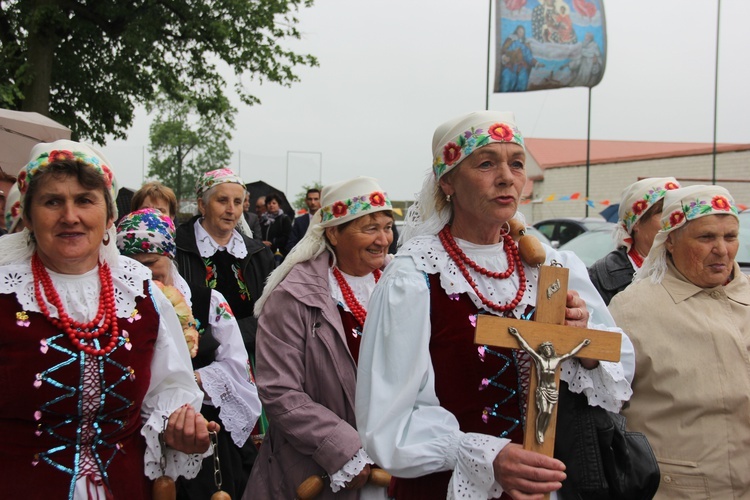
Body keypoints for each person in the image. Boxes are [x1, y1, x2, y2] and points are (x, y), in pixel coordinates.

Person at [356, 111, 634, 499]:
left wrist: (583, 343)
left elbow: (619, 362)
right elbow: (386, 421)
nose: (507, 177)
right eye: (486, 163)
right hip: (447, 487)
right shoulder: (414, 276)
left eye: (516, 164)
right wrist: (488, 456)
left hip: (548, 486)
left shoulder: (551, 268)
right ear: (447, 181)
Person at [0, 140, 217, 498]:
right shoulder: (7, 291)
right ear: (27, 216)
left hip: (125, 485)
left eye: (85, 200)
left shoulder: (141, 292)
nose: (70, 216)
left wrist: (179, 422)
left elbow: (170, 387)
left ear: (109, 217)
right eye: (52, 201)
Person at [244, 177, 393, 500]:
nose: (383, 240)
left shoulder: (402, 285)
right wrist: (343, 447)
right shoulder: (294, 296)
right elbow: (279, 390)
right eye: (370, 228)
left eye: (387, 227)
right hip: (315, 471)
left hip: (394, 463)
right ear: (333, 232)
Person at [609, 184, 750, 499]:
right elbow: (603, 410)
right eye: (706, 237)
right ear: (669, 240)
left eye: (730, 236)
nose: (722, 249)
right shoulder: (632, 310)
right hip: (678, 491)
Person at [117, 208, 262, 499]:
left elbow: (237, 368)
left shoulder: (208, 301)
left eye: (150, 262)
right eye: (129, 264)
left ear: (169, 258)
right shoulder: (117, 308)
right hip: (135, 437)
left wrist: (190, 379)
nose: (141, 273)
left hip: (202, 434)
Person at [174, 168, 274, 450]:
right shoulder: (179, 248)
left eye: (238, 201)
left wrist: (233, 335)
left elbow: (272, 313)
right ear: (202, 204)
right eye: (222, 201)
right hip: (195, 363)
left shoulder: (257, 254)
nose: (231, 210)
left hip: (250, 361)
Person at [588, 177, 680, 305]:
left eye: (677, 214)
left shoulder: (690, 269)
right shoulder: (601, 277)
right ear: (637, 222)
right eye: (664, 214)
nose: (675, 222)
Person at [285, 187, 321, 253]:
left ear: (321, 200)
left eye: (316, 199)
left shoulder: (326, 220)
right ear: (306, 201)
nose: (313, 202)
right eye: (310, 199)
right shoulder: (299, 221)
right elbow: (290, 244)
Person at [260, 192, 292, 259]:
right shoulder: (263, 219)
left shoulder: (284, 219)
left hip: (279, 254)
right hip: (264, 252)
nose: (271, 205)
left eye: (274, 203)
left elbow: (287, 236)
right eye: (269, 203)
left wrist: (272, 242)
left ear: (279, 205)